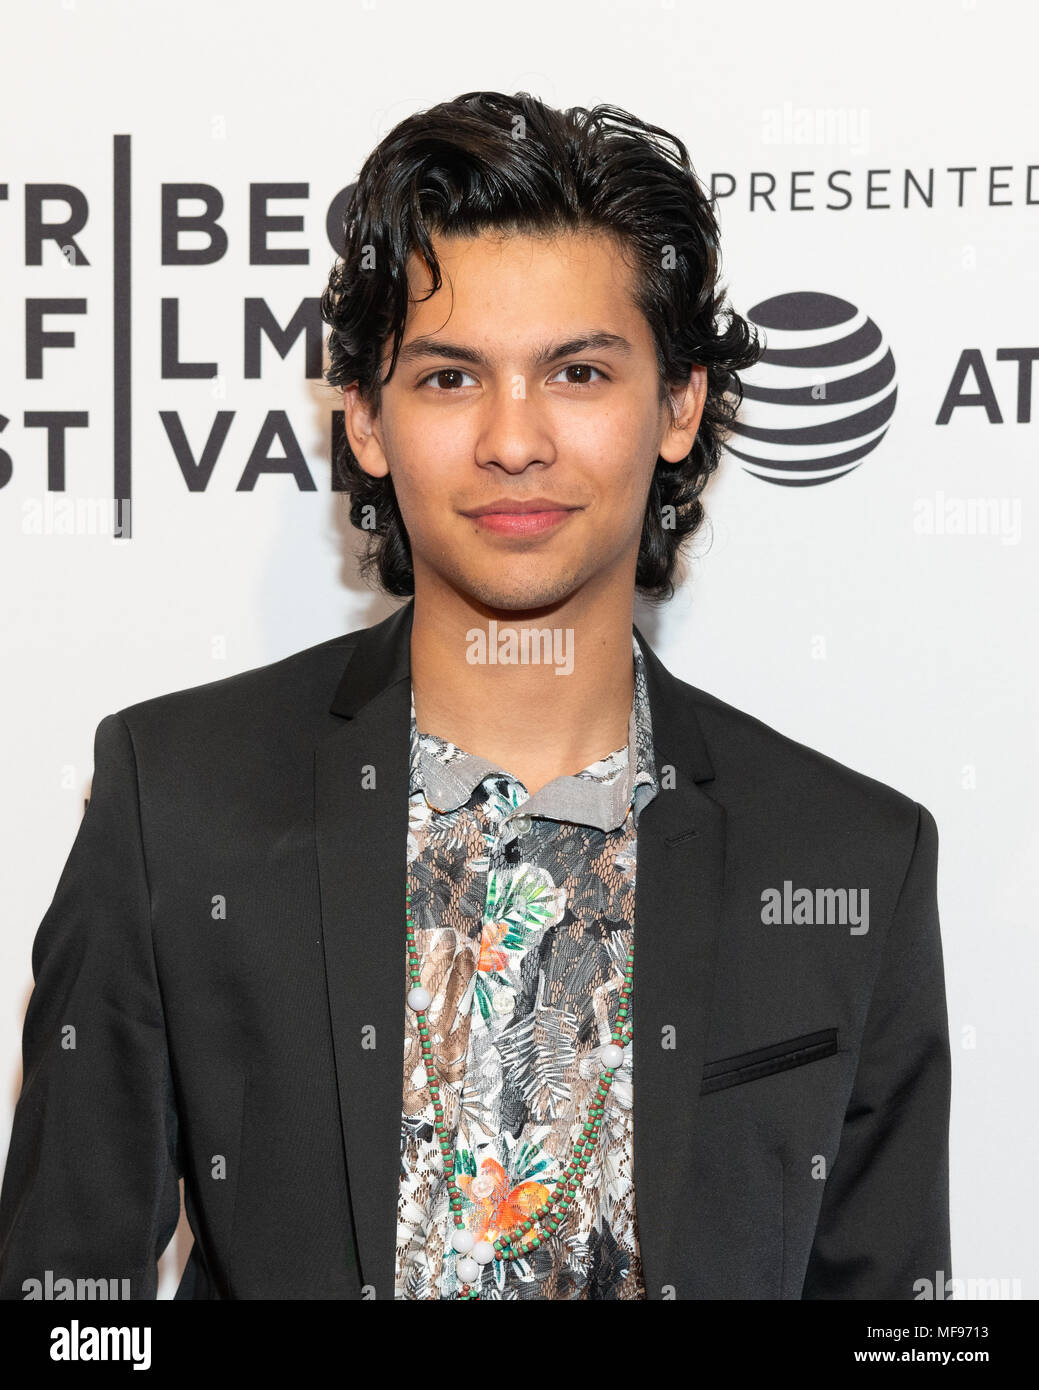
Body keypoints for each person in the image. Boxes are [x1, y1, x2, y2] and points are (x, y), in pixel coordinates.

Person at [0, 90, 951, 1301]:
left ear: (678, 405)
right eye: (451, 378)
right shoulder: (176, 799)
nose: (514, 440)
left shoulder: (852, 856)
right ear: (366, 419)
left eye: (577, 371)